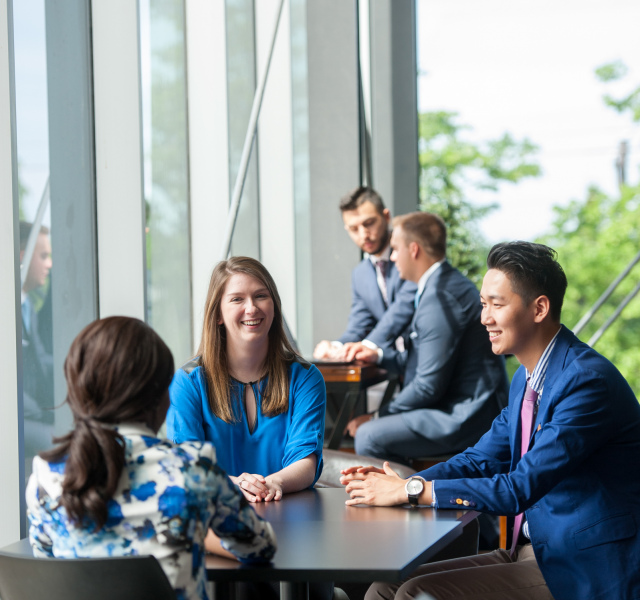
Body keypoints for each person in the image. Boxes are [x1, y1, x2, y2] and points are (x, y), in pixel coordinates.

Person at [341, 241, 640, 600]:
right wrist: (406, 484)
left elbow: (519, 488)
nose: (484, 317)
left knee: (417, 594)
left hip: (584, 563)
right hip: (533, 548)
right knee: (385, 588)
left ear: (539, 308)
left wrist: (411, 491)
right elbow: (479, 459)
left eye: (496, 305)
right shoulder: (526, 379)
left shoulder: (586, 382)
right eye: (484, 304)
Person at [26, 316, 277, 600]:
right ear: (162, 399)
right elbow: (260, 548)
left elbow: (45, 560)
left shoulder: (45, 476)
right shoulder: (193, 469)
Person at [343, 212, 509, 463]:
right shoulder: (440, 286)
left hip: (467, 415)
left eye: (396, 249)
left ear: (414, 249)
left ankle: (401, 495)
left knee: (368, 435)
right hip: (459, 404)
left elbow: (427, 385)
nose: (393, 257)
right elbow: (426, 359)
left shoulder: (440, 298)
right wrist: (379, 355)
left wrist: (377, 416)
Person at [167, 256, 326, 502]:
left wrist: (274, 483)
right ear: (218, 314)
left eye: (261, 296)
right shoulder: (188, 382)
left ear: (274, 306)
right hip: (215, 516)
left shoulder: (305, 378)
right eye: (237, 299)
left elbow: (306, 460)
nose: (251, 308)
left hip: (289, 513)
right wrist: (238, 484)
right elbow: (188, 464)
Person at [313, 186, 416, 360]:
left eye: (369, 223)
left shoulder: (411, 255)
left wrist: (367, 345)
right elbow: (359, 324)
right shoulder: (360, 274)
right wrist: (337, 347)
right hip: (392, 368)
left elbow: (403, 308)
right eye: (354, 229)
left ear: (386, 217)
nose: (363, 235)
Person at [20, 221, 54, 469]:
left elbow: (42, 360)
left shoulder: (28, 307)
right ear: (22, 256)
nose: (49, 265)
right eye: (43, 256)